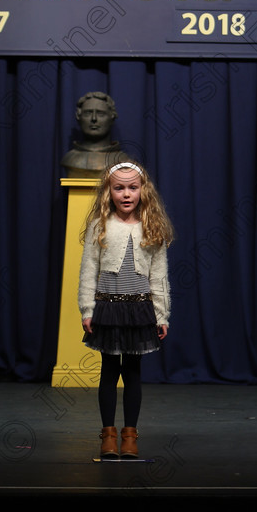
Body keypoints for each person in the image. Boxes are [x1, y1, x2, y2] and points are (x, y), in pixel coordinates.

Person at [78, 160, 174, 459]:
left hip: (138, 309)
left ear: (143, 190)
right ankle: (107, 435)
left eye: (133, 187)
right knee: (109, 371)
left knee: (132, 372)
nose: (126, 194)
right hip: (108, 306)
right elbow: (88, 270)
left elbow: (159, 275)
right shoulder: (100, 225)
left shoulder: (151, 226)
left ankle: (130, 436)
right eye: (119, 188)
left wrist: (161, 314)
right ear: (109, 192)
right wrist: (87, 308)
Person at [61, 91, 130, 177]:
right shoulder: (70, 159)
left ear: (112, 118)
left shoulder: (122, 160)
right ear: (78, 117)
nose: (94, 119)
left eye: (101, 114)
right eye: (88, 113)